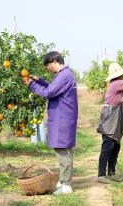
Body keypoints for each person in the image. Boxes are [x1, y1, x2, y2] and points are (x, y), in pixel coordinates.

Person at [23, 51, 78, 195]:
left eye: (47, 65)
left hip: (62, 119)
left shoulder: (64, 75)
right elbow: (52, 89)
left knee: (63, 152)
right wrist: (39, 81)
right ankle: (64, 181)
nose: (47, 68)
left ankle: (66, 185)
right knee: (63, 150)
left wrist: (31, 85)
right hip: (63, 118)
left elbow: (48, 93)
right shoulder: (64, 75)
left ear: (54, 61)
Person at [96, 62, 123, 184]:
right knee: (108, 144)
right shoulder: (117, 83)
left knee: (115, 144)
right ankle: (101, 175)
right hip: (111, 114)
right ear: (118, 75)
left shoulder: (117, 84)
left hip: (114, 113)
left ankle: (111, 173)